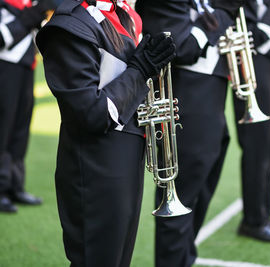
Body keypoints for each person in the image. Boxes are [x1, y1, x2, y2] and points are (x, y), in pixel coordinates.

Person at [35, 0, 175, 265]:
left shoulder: (124, 15)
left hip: (126, 153)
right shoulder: (68, 27)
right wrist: (140, 69)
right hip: (95, 164)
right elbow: (91, 113)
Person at [135, 0, 242, 266]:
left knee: (202, 188)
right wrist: (222, 16)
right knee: (180, 198)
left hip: (210, 100)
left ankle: (184, 259)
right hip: (185, 105)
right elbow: (180, 46)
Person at [234, 0, 270, 242]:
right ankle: (254, 220)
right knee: (257, 145)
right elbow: (252, 31)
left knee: (268, 143)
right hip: (250, 62)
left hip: (266, 61)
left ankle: (263, 214)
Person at [0, 0, 57, 212]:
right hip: (4, 67)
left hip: (25, 67)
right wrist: (32, 14)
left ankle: (15, 185)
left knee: (20, 130)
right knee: (3, 129)